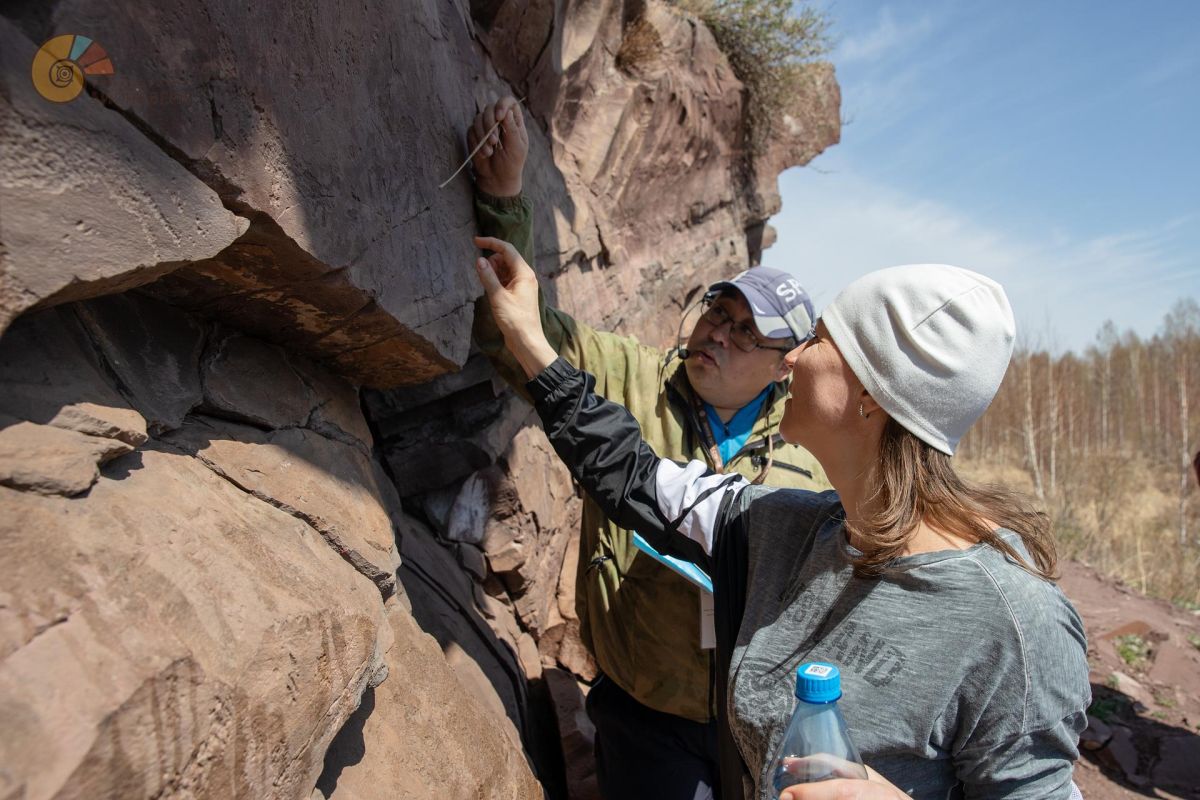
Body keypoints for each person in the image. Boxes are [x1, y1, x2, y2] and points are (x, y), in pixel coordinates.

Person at [471, 236, 1092, 800]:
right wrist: (529, 340)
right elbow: (630, 473)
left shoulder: (1014, 621)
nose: (792, 359)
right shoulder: (781, 528)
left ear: (874, 395)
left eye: (819, 339)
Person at [468, 97, 830, 800]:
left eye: (746, 333)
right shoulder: (634, 377)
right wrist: (505, 199)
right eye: (717, 315)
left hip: (762, 721)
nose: (717, 336)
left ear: (788, 363)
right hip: (646, 708)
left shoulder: (810, 447)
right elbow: (527, 336)